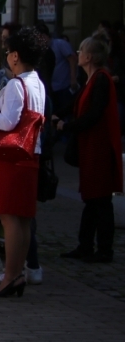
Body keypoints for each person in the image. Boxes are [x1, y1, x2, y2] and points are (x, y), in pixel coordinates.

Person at [0, 26, 47, 297]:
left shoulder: (17, 84)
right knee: (23, 219)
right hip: (30, 155)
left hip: (11, 157)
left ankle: (10, 275)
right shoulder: (37, 82)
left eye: (8, 52)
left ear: (15, 56)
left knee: (8, 218)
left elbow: (8, 121)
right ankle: (18, 273)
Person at [56, 37, 122, 263]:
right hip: (91, 146)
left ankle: (104, 249)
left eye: (81, 50)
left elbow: (93, 114)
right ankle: (85, 245)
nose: (78, 52)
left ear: (89, 57)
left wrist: (67, 125)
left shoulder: (101, 79)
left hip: (99, 147)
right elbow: (75, 104)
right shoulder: (92, 79)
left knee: (100, 199)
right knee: (93, 199)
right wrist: (56, 114)